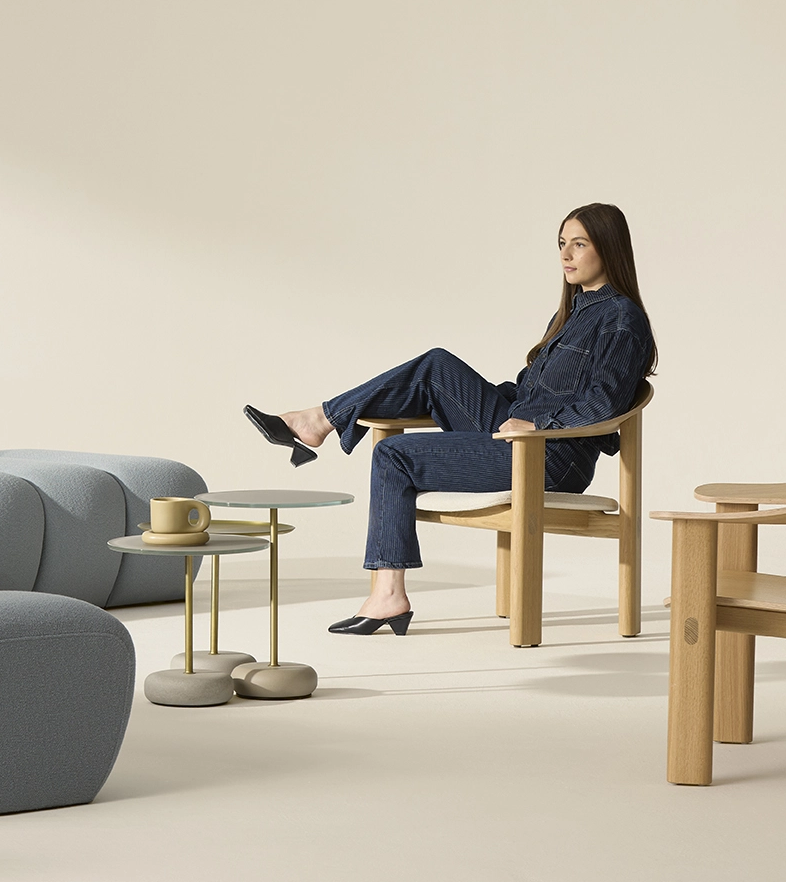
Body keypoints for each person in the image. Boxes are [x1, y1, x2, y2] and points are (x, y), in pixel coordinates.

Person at [244, 203, 656, 635]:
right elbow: (530, 392)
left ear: (608, 248)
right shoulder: (571, 312)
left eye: (579, 244)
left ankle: (389, 596)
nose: (565, 255)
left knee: (393, 454)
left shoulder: (622, 319)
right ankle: (321, 419)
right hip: (516, 430)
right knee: (436, 365)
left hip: (551, 456)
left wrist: (539, 426)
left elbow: (606, 403)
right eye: (561, 244)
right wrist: (476, 396)